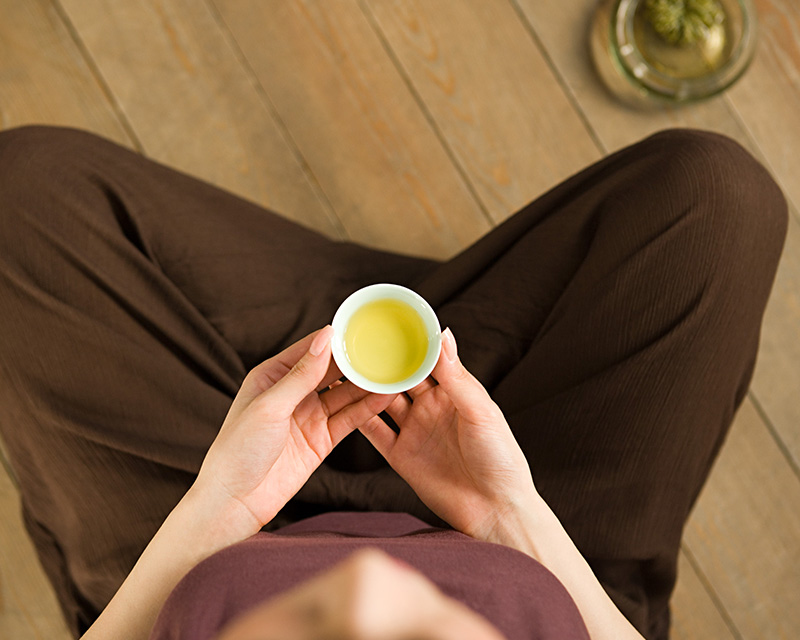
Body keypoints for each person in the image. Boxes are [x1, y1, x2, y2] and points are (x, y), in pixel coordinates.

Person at [0, 125, 787, 640]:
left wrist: (218, 508)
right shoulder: (515, 524)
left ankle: (378, 296)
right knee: (718, 199)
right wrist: (510, 511)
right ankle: (439, 298)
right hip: (545, 547)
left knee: (21, 197)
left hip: (186, 553)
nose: (365, 593)